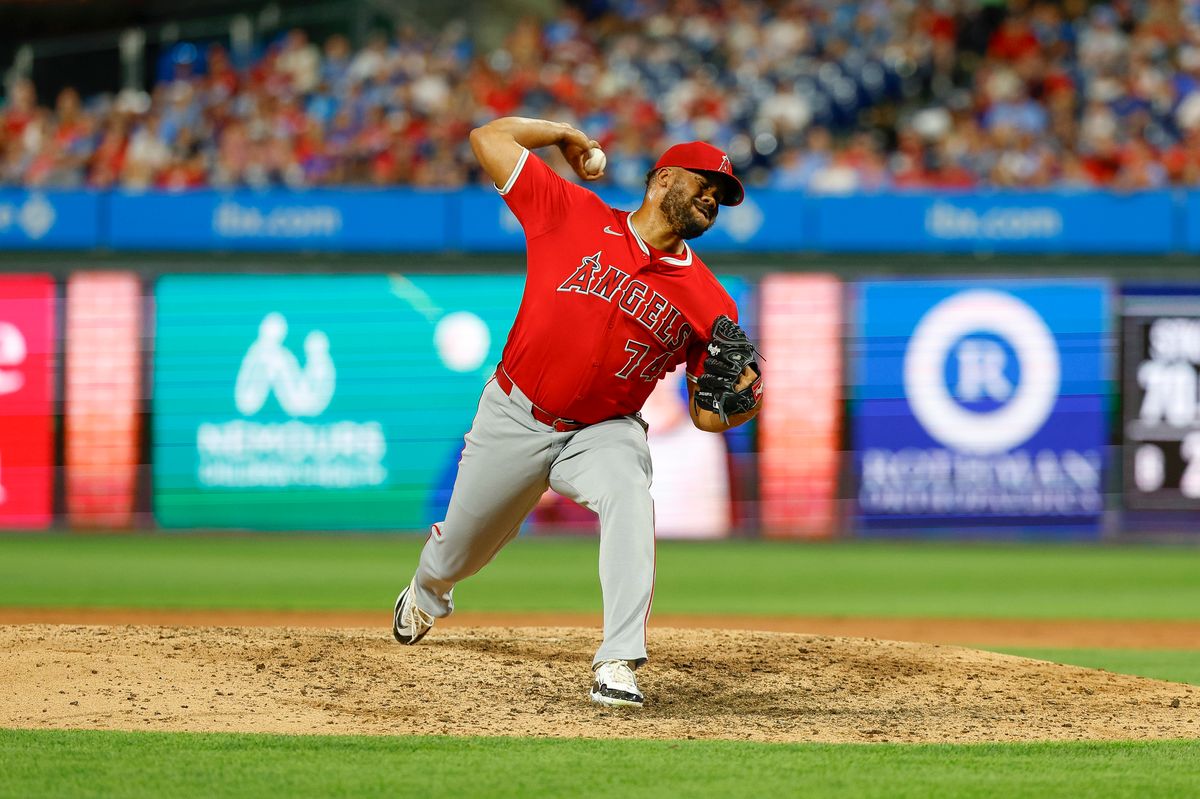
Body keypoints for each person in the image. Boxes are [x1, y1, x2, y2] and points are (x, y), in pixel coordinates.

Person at [392, 116, 763, 708]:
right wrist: (562, 133)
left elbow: (706, 416)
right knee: (462, 548)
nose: (712, 198)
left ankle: (618, 659)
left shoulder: (711, 300)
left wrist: (743, 406)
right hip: (514, 414)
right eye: (703, 183)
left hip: (603, 431)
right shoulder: (571, 212)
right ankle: (428, 590)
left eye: (721, 196)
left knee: (629, 492)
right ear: (662, 178)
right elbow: (487, 139)